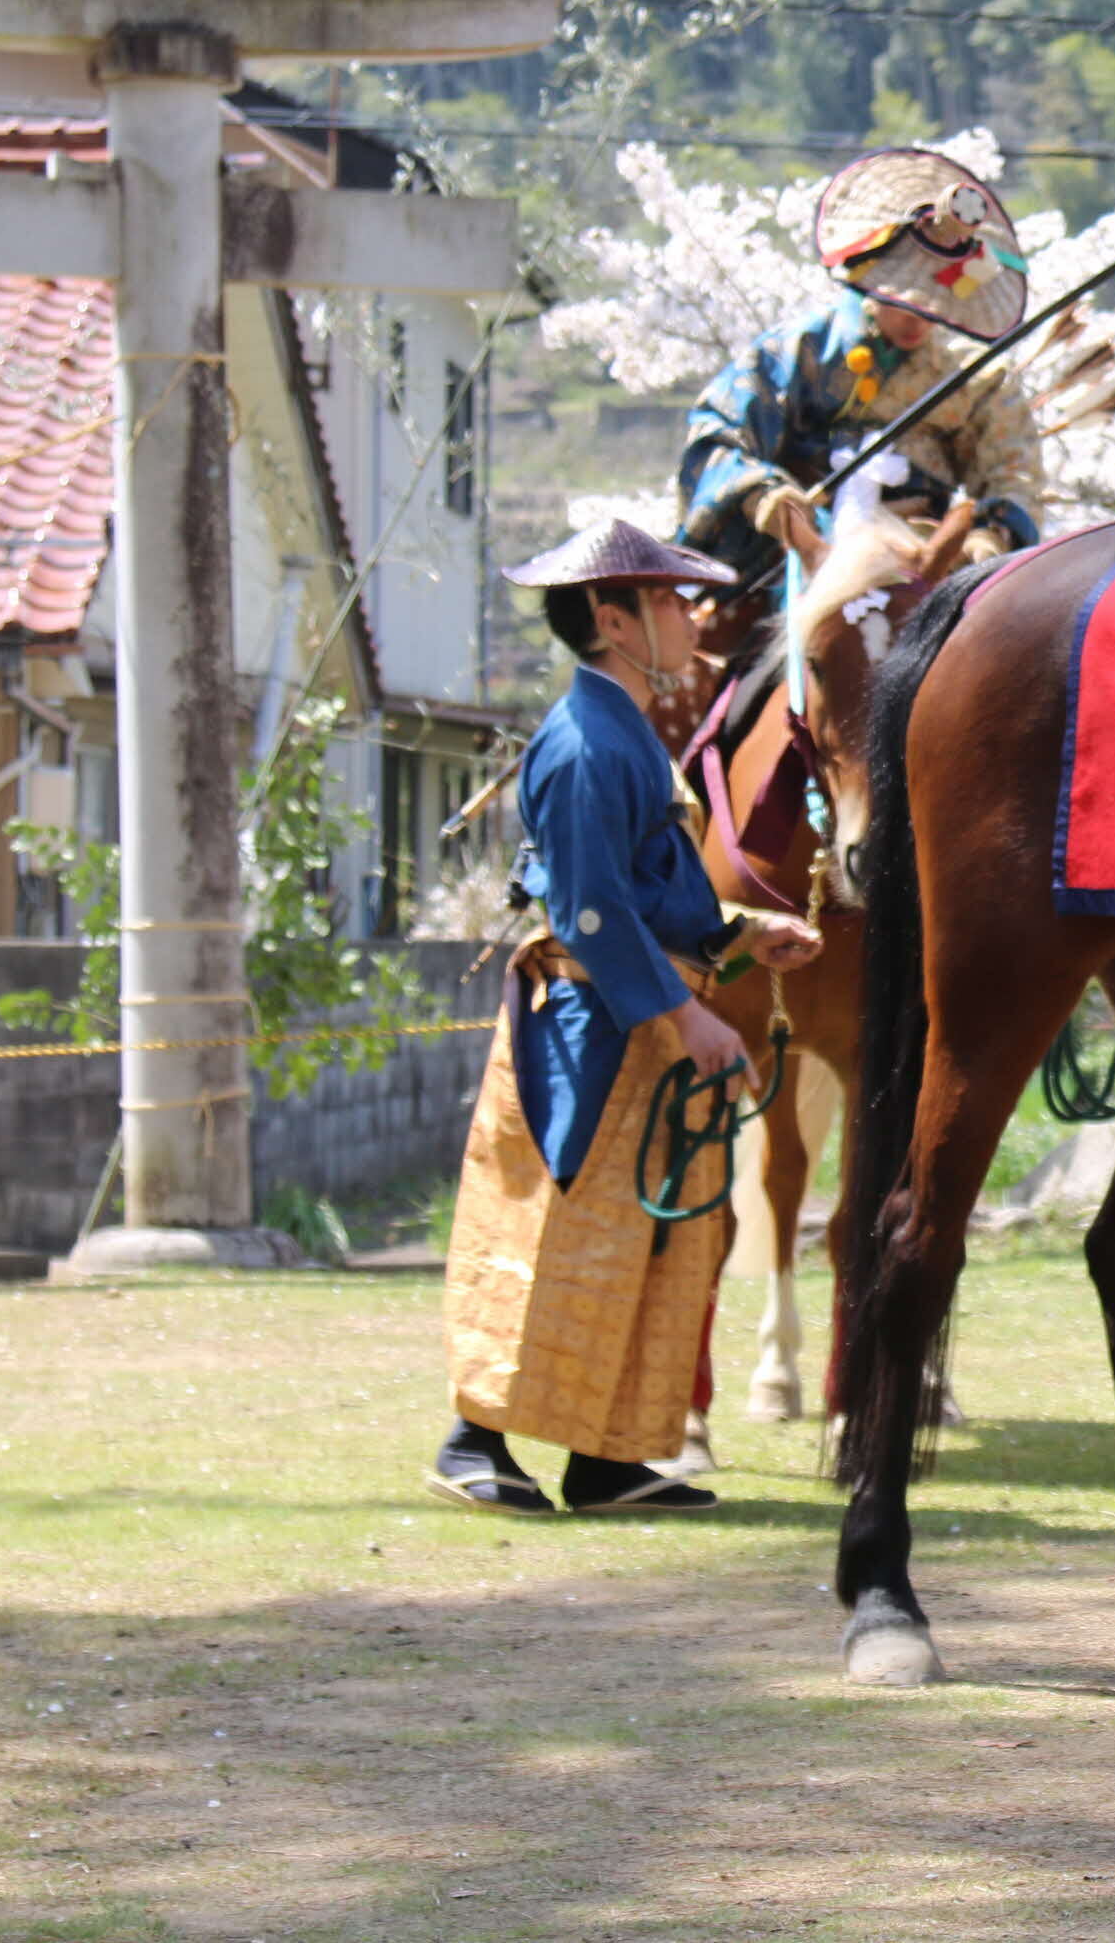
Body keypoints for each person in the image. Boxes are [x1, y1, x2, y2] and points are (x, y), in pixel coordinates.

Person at [432, 519, 824, 1516]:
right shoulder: (584, 741)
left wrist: (742, 933)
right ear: (611, 620)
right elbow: (589, 906)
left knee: (638, 1241)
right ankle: (472, 1435)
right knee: (553, 1226)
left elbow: (652, 894)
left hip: (637, 1014)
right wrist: (687, 1016)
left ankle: (606, 1456)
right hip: (586, 1019)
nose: (690, 616)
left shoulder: (628, 733)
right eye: (665, 600)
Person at [675, 145, 1047, 588]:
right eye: (904, 304)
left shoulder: (977, 375)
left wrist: (990, 535)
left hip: (926, 555)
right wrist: (767, 499)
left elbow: (1014, 471)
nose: (918, 321)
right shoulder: (798, 349)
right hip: (800, 548)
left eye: (934, 309)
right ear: (872, 279)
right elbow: (718, 434)